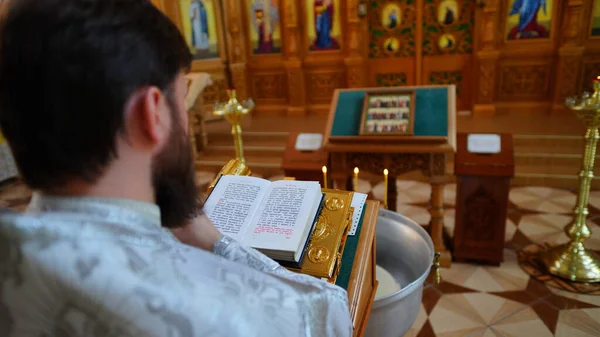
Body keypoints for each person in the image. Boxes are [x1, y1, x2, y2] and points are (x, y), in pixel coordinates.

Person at [0, 0, 352, 336]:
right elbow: (327, 315)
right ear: (153, 114)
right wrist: (219, 244)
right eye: (181, 99)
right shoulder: (229, 315)